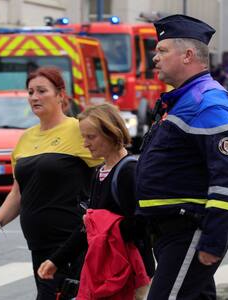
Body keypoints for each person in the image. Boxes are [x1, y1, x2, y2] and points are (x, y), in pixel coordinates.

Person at [136, 15, 228, 299]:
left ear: (187, 55)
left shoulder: (207, 102)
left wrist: (214, 238)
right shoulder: (183, 100)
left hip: (189, 231)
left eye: (162, 50)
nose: (154, 57)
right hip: (170, 231)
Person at [0, 66, 102, 299]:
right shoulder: (26, 138)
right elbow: (18, 194)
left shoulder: (77, 129)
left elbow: (112, 163)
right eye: (30, 92)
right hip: (38, 245)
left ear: (60, 95)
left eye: (42, 91)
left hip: (72, 243)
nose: (34, 97)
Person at [37, 103, 154, 300]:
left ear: (111, 133)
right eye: (83, 137)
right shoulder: (99, 172)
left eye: (91, 137)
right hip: (106, 271)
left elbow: (143, 225)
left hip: (130, 272)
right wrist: (56, 260)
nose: (85, 144)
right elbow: (88, 227)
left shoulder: (128, 171)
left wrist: (104, 225)